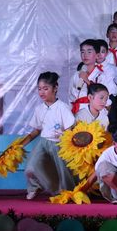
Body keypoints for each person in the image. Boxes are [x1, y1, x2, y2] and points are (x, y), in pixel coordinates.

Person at [23, 72, 76, 200]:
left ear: (55, 88)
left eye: (45, 89)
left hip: (59, 144)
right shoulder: (39, 109)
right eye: (39, 89)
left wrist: (65, 139)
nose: (42, 92)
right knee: (31, 167)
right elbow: (36, 130)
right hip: (43, 142)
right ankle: (35, 187)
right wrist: (22, 143)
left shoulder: (63, 108)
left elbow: (70, 129)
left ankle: (66, 193)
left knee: (63, 172)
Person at [69, 39, 116, 115]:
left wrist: (87, 81)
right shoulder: (76, 75)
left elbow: (106, 100)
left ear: (97, 55)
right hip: (78, 113)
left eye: (89, 52)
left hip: (96, 114)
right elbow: (71, 98)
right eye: (82, 52)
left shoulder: (102, 75)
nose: (85, 55)